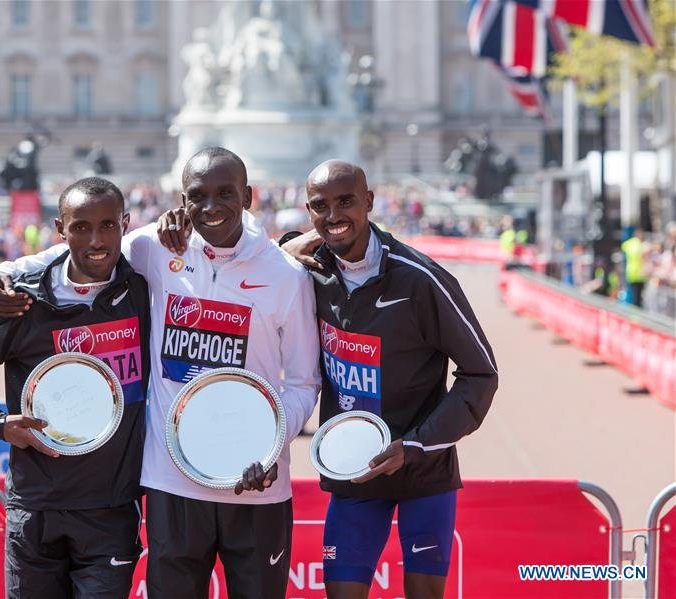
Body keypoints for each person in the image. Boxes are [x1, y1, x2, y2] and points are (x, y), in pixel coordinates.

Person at [0, 147, 320, 598]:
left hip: (255, 483)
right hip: (171, 482)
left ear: (249, 196)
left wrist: (272, 444)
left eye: (225, 193)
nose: (212, 206)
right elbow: (83, 249)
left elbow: (302, 382)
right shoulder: (154, 248)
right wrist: (3, 272)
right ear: (182, 202)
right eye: (198, 196)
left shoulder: (287, 275)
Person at [159, 160, 497, 599]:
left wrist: (415, 444)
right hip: (352, 471)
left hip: (421, 470)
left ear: (369, 202)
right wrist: (178, 219)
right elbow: (264, 252)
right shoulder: (304, 271)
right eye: (321, 206)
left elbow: (481, 374)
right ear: (308, 211)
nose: (334, 215)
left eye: (346, 202)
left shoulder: (422, 280)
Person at [0, 178, 152, 599]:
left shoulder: (143, 291)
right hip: (34, 511)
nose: (96, 240)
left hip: (109, 511)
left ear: (125, 225)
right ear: (60, 228)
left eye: (108, 226)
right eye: (81, 227)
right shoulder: (25, 302)